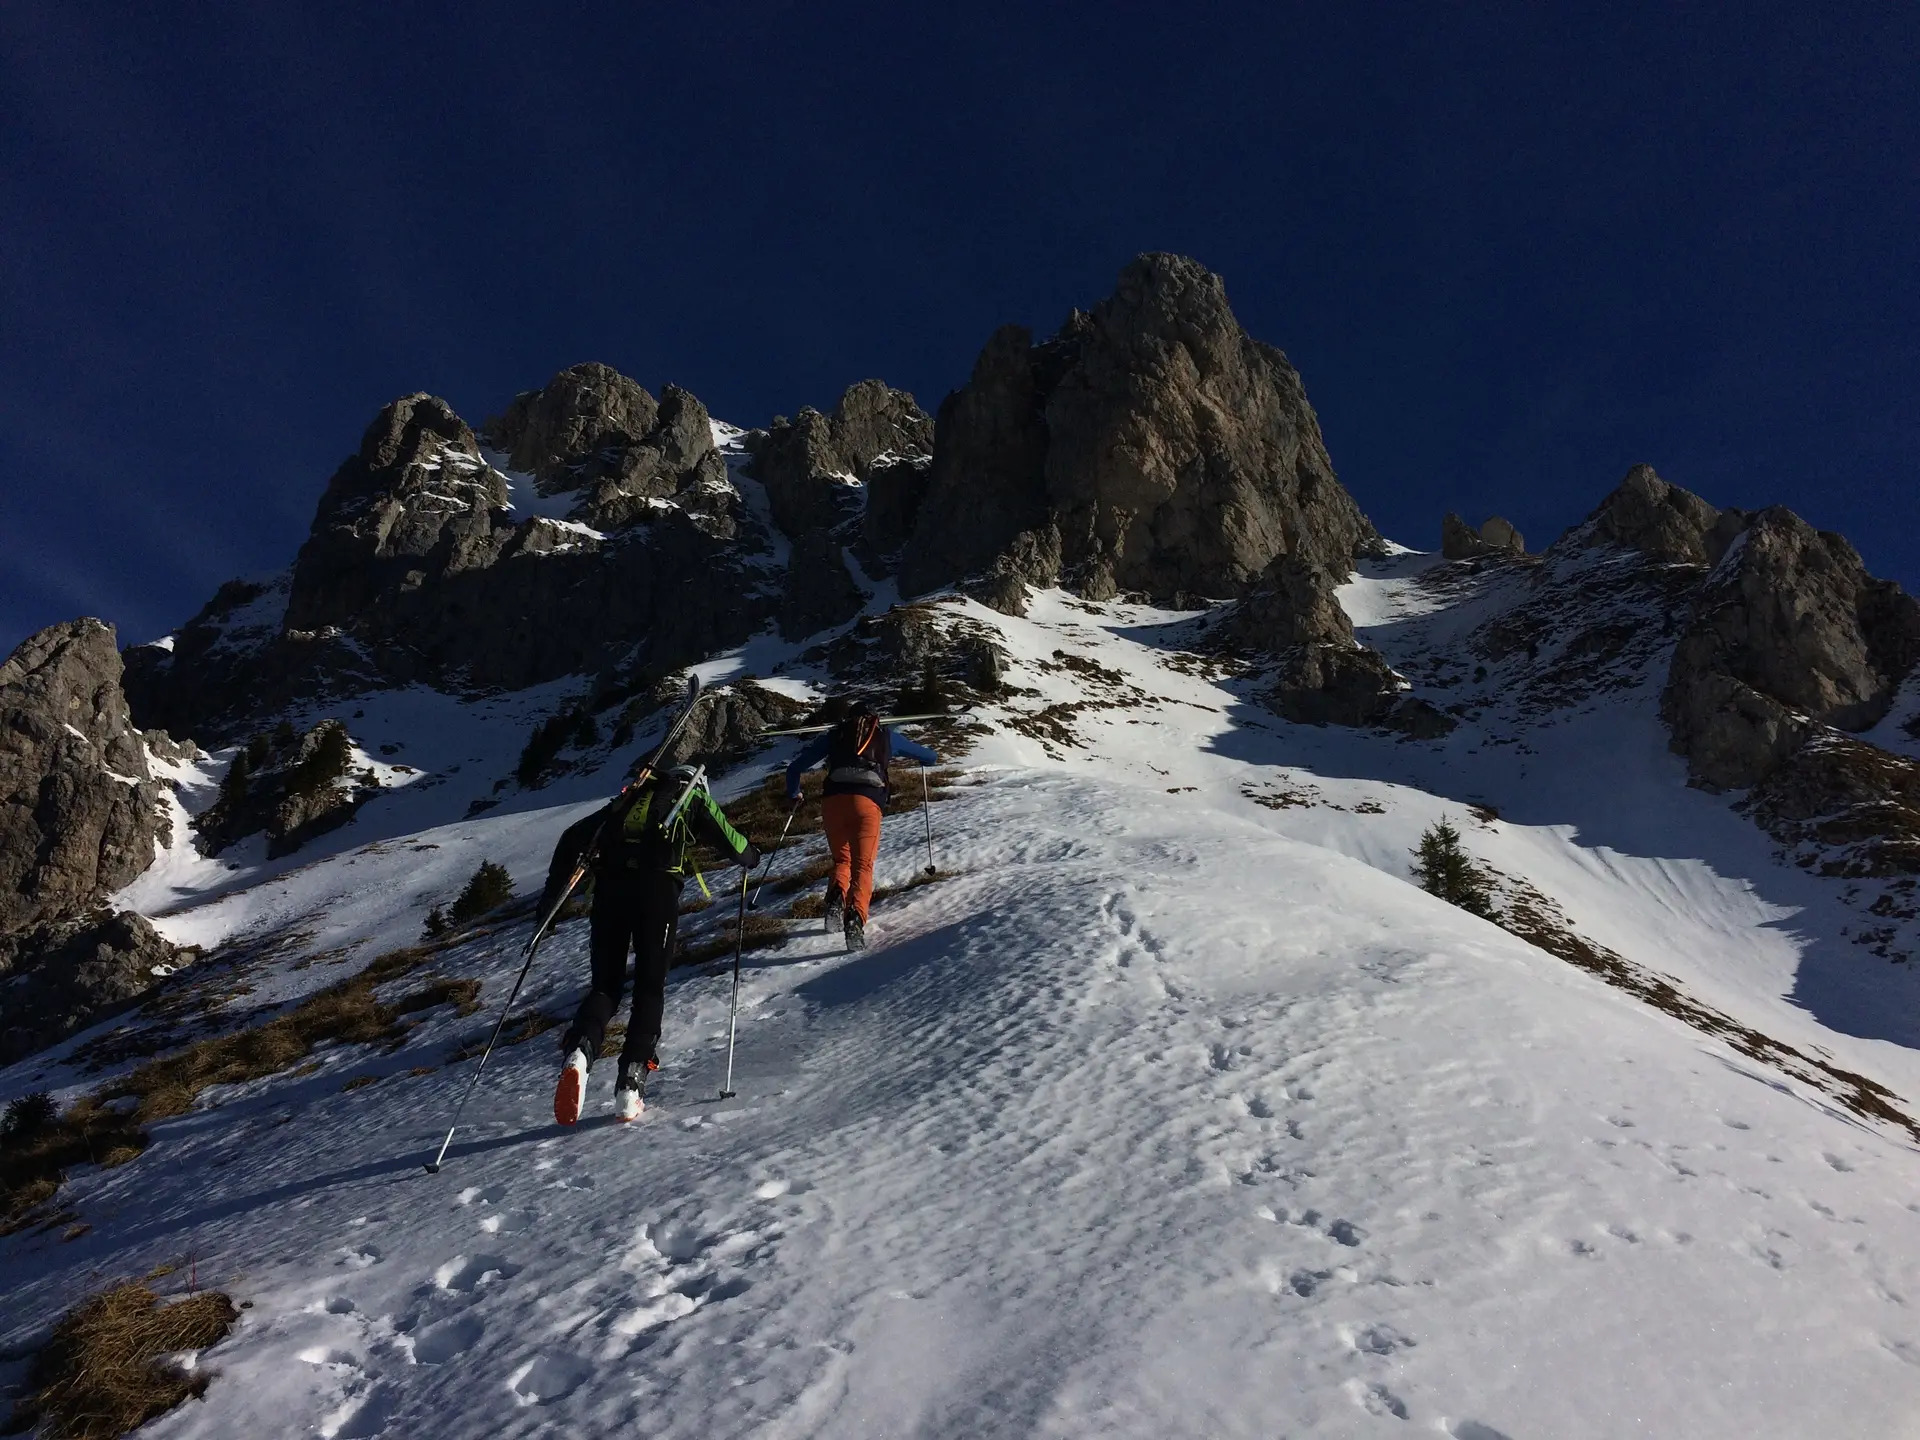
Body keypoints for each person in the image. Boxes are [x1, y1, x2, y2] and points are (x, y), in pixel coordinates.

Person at [542, 763, 759, 1125]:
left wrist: (550, 900)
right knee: (649, 987)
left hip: (609, 891)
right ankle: (631, 1082)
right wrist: (752, 856)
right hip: (657, 894)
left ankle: (580, 1049)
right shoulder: (690, 798)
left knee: (606, 986)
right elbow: (733, 843)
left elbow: (573, 836)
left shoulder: (627, 800)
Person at [785, 699, 937, 952]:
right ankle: (854, 919)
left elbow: (795, 768)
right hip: (867, 803)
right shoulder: (886, 736)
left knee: (841, 860)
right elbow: (930, 757)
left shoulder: (836, 735)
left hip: (833, 802)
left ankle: (835, 900)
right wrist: (927, 757)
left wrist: (794, 794)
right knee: (863, 865)